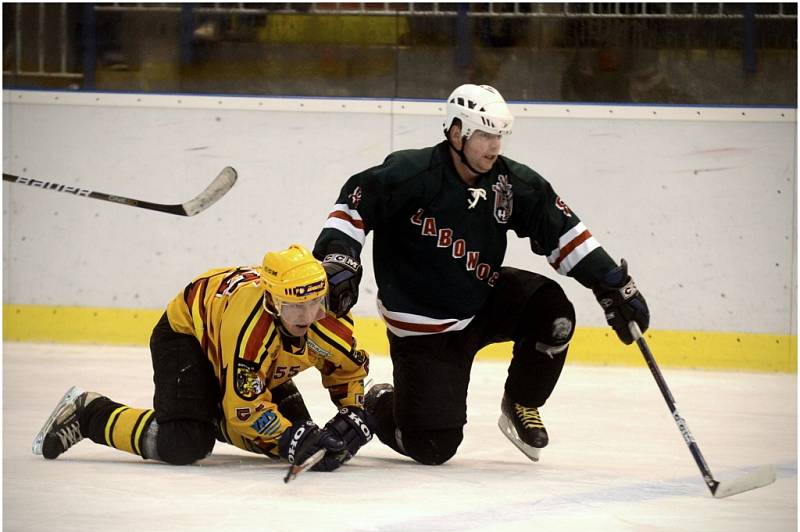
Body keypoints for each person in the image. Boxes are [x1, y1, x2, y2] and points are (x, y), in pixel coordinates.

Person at [314, 84, 649, 466]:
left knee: (553, 314)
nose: (494, 146)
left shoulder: (508, 183)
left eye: (499, 136)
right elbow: (353, 206)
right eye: (485, 135)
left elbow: (562, 230)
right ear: (457, 133)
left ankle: (522, 401)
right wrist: (339, 256)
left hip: (482, 297)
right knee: (432, 447)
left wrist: (609, 281)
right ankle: (383, 404)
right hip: (427, 331)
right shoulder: (412, 172)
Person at [33, 244, 374, 475]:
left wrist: (353, 410)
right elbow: (245, 409)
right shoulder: (250, 330)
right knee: (184, 443)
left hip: (248, 360)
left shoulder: (329, 321)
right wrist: (288, 437)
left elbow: (346, 371)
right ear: (271, 299)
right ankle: (88, 412)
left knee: (301, 443)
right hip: (188, 337)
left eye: (316, 303)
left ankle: (211, 412)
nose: (307, 316)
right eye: (294, 306)